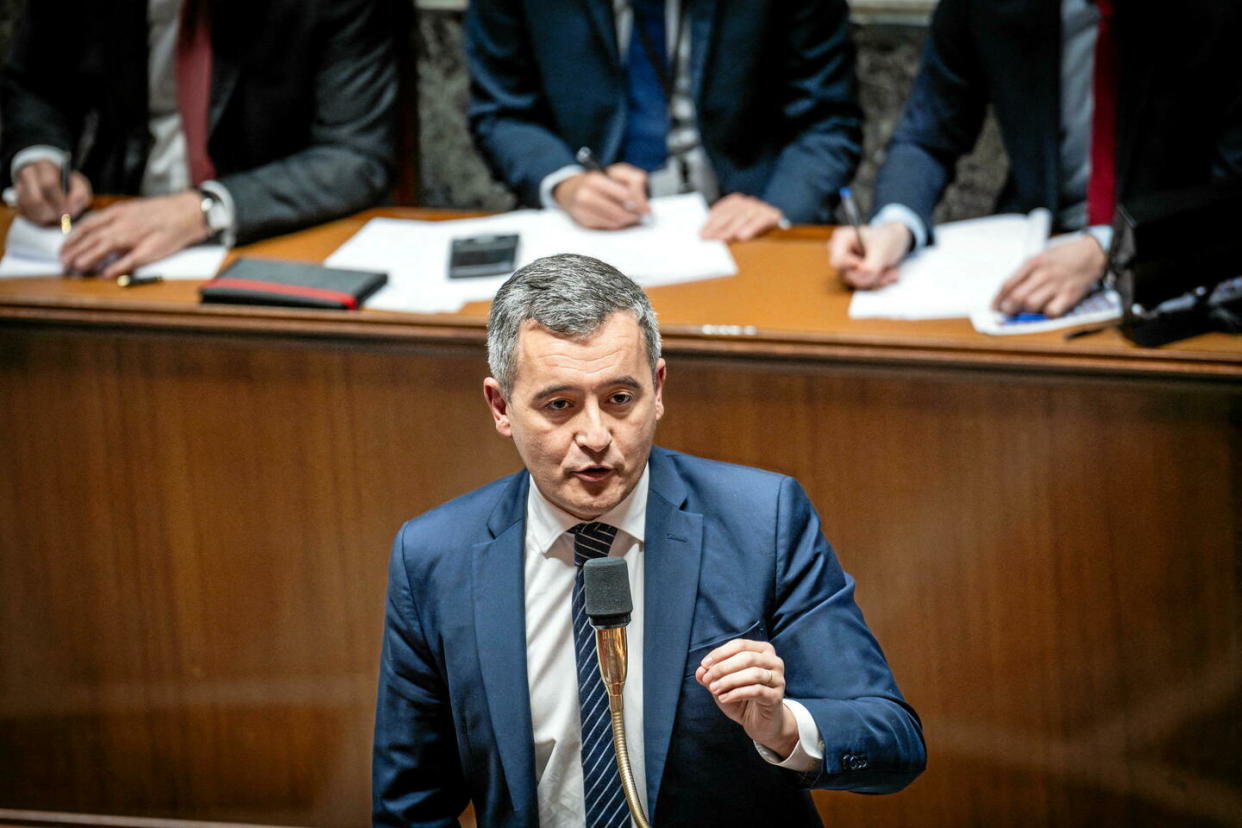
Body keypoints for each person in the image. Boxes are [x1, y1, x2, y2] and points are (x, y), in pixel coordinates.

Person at [373, 254, 925, 826]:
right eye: (559, 405)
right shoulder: (434, 557)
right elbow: (411, 805)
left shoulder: (763, 521)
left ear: (657, 390)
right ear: (501, 407)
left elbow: (893, 743)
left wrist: (783, 725)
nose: (595, 436)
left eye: (619, 399)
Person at [830, 0, 1242, 317]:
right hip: (1032, 249)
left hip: (1177, 263)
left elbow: (1231, 193)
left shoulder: (1216, 12)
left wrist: (1109, 251)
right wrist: (896, 224)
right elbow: (929, 135)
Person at [0, 0, 397, 279]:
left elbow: (356, 155)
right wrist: (39, 154)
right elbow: (36, 82)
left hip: (270, 235)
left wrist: (207, 209)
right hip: (107, 226)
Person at [465, 0, 862, 242]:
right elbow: (501, 113)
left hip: (747, 227)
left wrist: (780, 205)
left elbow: (829, 121)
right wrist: (565, 183)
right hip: (580, 231)